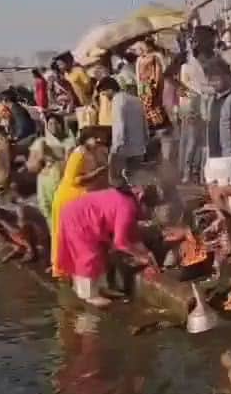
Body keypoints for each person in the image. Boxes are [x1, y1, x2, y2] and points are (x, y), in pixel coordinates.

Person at [57, 185, 161, 307]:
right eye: (150, 209)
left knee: (100, 253)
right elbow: (120, 242)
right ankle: (88, 295)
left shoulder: (130, 202)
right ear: (143, 203)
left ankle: (98, 288)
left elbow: (133, 235)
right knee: (88, 256)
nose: (150, 213)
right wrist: (139, 256)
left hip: (79, 214)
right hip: (78, 219)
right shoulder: (127, 207)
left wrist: (146, 252)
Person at [50, 128, 111, 277]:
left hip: (83, 199)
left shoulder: (97, 151)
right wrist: (98, 173)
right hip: (69, 199)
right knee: (65, 237)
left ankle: (76, 270)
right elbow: (73, 180)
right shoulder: (79, 153)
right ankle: (63, 270)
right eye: (95, 138)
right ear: (86, 138)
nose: (98, 141)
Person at [179, 26, 220, 182]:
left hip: (207, 105)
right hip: (194, 107)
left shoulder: (212, 59)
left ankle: (200, 173)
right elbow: (192, 88)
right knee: (193, 141)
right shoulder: (188, 66)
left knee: (204, 142)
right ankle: (188, 172)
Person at [98, 78, 146, 179]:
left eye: (104, 93)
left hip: (124, 150)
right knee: (137, 179)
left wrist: (115, 149)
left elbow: (119, 126)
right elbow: (144, 123)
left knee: (122, 181)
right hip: (139, 148)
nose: (105, 97)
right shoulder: (136, 100)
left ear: (110, 89)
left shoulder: (117, 101)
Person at [134, 38, 170, 133]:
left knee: (152, 104)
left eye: (138, 49)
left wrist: (156, 84)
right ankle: (155, 124)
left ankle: (156, 124)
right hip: (147, 85)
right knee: (151, 105)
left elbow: (158, 72)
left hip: (148, 85)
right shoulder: (151, 57)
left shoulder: (154, 57)